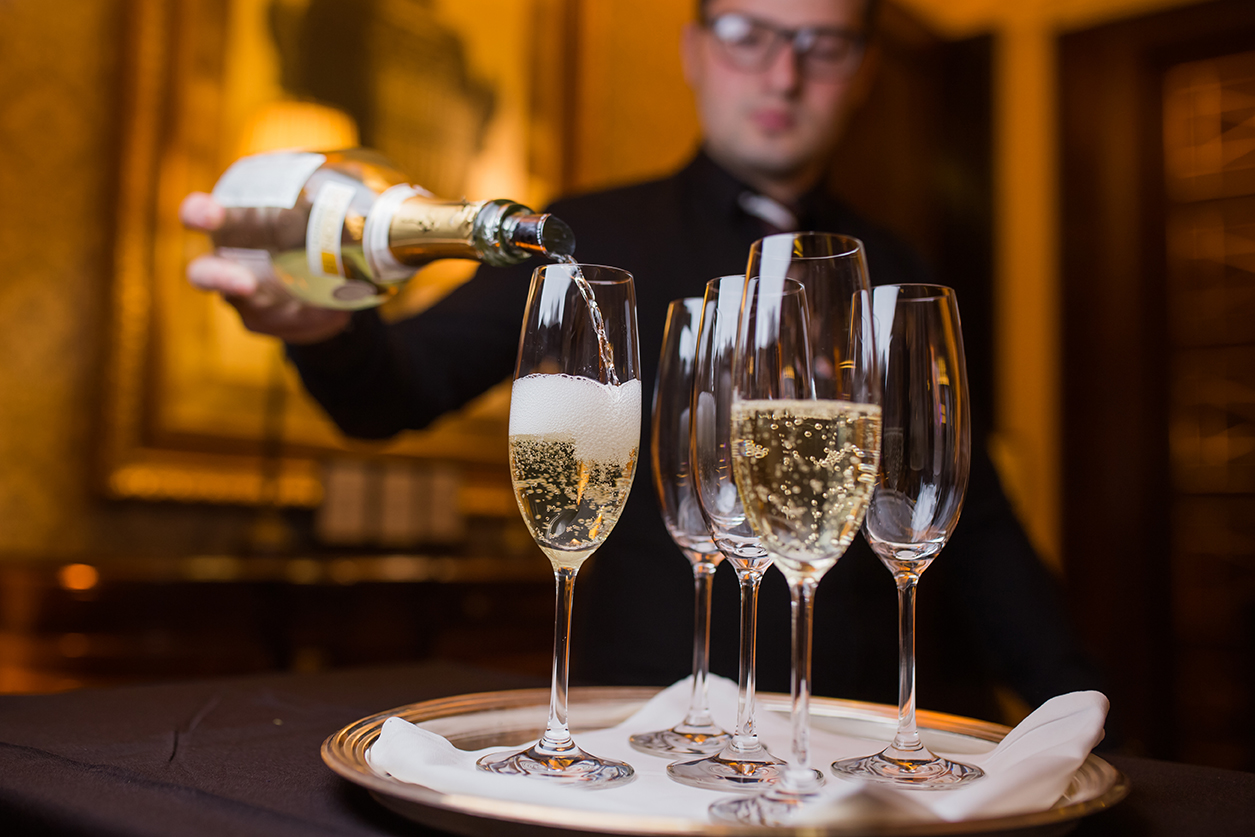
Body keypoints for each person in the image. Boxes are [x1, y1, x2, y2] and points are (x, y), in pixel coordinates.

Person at [181, 0, 1101, 721]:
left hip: (872, 735)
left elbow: (971, 519)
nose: (782, 74)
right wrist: (322, 329)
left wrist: (1077, 707)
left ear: (859, 72)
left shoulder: (899, 269)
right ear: (695, 51)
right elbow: (397, 390)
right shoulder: (589, 236)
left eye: (823, 46)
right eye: (748, 35)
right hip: (645, 727)